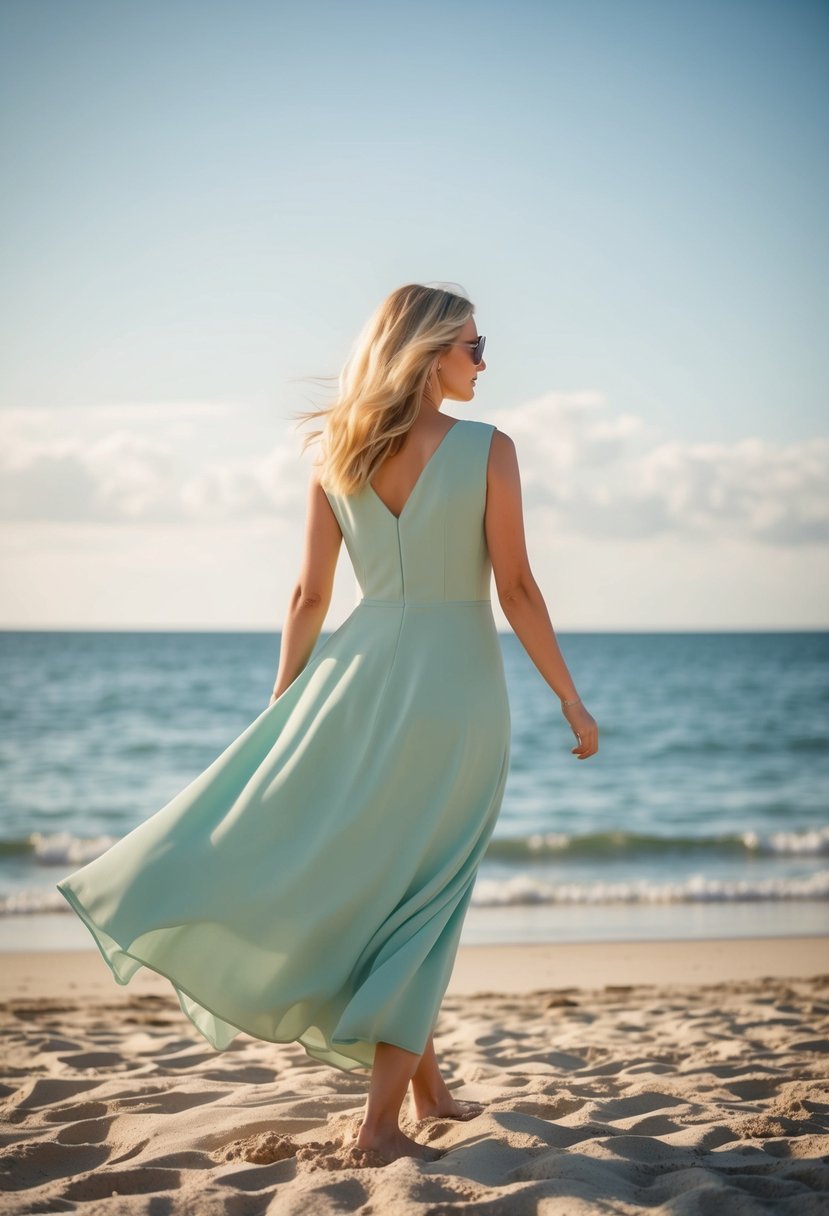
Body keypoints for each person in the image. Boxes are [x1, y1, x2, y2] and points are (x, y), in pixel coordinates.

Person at [56, 282, 598, 1167]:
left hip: (353, 682)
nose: (484, 359)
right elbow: (518, 589)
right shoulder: (489, 450)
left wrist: (283, 704)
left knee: (392, 883)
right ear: (429, 354)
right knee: (426, 897)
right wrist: (570, 700)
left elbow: (308, 596)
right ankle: (381, 1125)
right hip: (453, 693)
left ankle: (432, 1091)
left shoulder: (333, 454)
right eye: (473, 343)